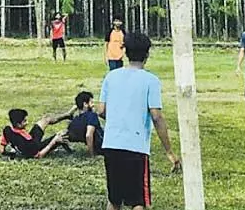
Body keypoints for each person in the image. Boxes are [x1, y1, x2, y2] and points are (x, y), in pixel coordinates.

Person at [98, 32, 180, 210]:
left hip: (111, 144)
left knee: (114, 199)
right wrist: (169, 151)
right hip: (135, 148)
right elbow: (156, 116)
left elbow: (101, 110)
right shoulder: (151, 81)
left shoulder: (110, 77)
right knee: (138, 201)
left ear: (124, 51)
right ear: (147, 54)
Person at [0, 106, 75, 159]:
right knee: (62, 134)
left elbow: (2, 149)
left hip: (31, 140)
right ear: (18, 124)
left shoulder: (8, 129)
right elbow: (38, 156)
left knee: (46, 119)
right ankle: (70, 150)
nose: (27, 122)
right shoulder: (26, 143)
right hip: (36, 147)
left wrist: (8, 152)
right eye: (25, 121)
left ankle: (67, 115)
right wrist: (54, 141)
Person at [67, 91, 103, 156]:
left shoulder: (75, 120)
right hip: (101, 147)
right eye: (91, 102)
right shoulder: (92, 116)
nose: (93, 105)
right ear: (85, 104)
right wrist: (92, 155)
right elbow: (88, 135)